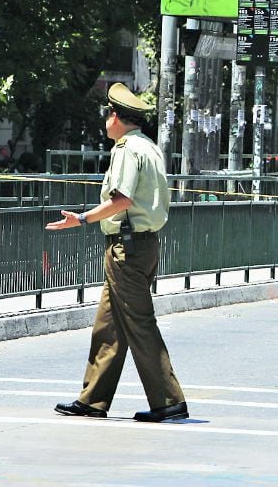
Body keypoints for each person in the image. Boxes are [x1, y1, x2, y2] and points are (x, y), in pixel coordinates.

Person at [46, 83, 188, 422]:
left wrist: (80, 219)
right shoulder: (150, 148)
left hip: (127, 246)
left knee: (139, 324)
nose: (106, 122)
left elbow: (121, 199)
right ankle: (93, 399)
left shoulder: (126, 149)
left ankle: (169, 400)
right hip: (142, 243)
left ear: (115, 117)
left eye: (108, 115)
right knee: (108, 327)